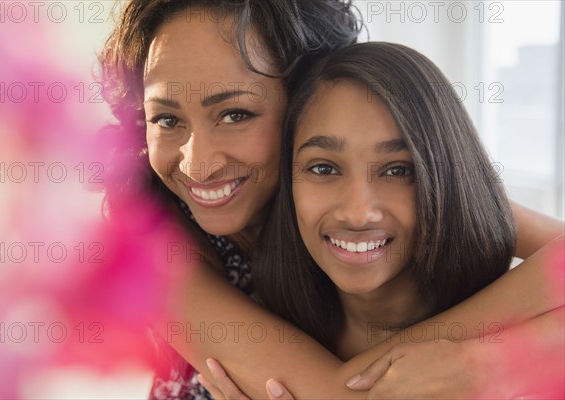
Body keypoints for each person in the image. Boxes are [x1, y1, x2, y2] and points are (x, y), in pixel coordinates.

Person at [98, 1, 564, 398]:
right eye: (165, 119)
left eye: (235, 113)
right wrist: (468, 362)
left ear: (305, 98)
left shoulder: (378, 191)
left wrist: (481, 360)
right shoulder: (150, 230)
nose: (198, 165)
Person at [200, 42, 565, 399]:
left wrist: (481, 362)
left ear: (447, 182)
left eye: (396, 170)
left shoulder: (528, 346)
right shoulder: (256, 331)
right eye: (323, 168)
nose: (357, 213)